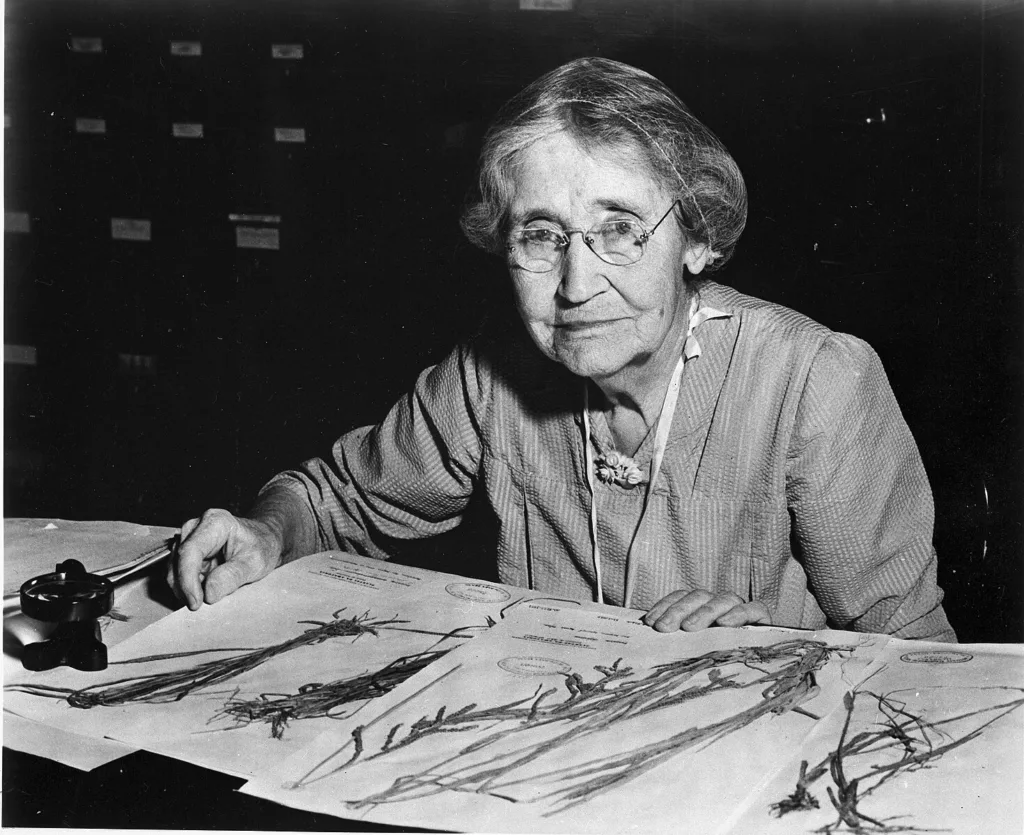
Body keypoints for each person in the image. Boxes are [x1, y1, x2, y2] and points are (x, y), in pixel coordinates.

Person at [169, 57, 956, 643]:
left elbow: (921, 664)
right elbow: (334, 500)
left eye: (619, 229)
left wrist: (785, 656)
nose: (577, 285)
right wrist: (267, 530)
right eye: (540, 235)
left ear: (696, 237)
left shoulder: (814, 381)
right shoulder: (488, 374)